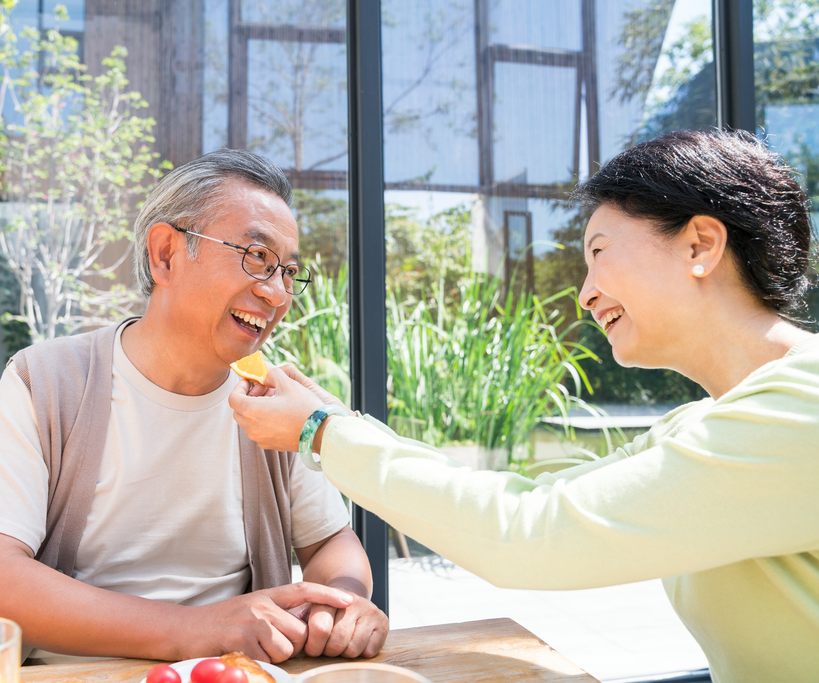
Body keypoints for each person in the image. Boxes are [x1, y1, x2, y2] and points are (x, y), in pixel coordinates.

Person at [229, 129, 819, 683]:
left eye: (599, 252)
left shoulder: (804, 410)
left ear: (700, 245)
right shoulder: (704, 424)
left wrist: (321, 432)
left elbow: (529, 536)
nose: (586, 294)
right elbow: (519, 501)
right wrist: (340, 424)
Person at [0, 148, 388, 665]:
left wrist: (345, 599)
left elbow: (331, 542)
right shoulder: (45, 380)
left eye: (289, 272)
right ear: (166, 255)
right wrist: (193, 630)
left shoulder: (274, 399)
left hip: (230, 674)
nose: (276, 294)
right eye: (256, 257)